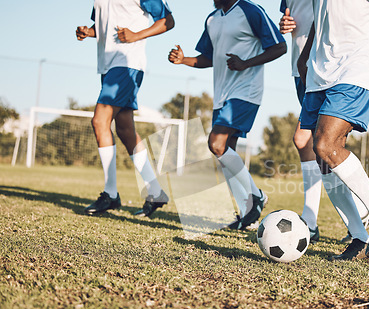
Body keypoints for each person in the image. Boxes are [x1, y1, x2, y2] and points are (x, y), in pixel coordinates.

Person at [168, 0, 286, 230]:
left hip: (246, 91)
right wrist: (184, 60)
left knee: (217, 143)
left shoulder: (251, 10)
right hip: (221, 95)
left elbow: (280, 47)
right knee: (225, 155)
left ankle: (257, 196)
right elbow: (209, 58)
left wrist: (246, 64)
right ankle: (246, 216)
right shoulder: (212, 19)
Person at [298, 0, 369, 260]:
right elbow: (322, 16)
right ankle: (359, 235)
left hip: (356, 65)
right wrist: (305, 53)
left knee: (325, 144)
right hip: (319, 69)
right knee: (323, 158)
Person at [278, 0, 369, 245]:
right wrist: (286, 25)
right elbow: (291, 17)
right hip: (302, 66)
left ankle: (323, 219)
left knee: (318, 143)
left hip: (325, 64)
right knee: (316, 146)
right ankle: (355, 216)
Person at [76, 0, 174, 217]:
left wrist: (136, 35)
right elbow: (104, 26)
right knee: (125, 130)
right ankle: (155, 191)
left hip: (128, 63)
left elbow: (168, 21)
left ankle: (110, 194)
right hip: (108, 65)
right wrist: (89, 32)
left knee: (100, 120)